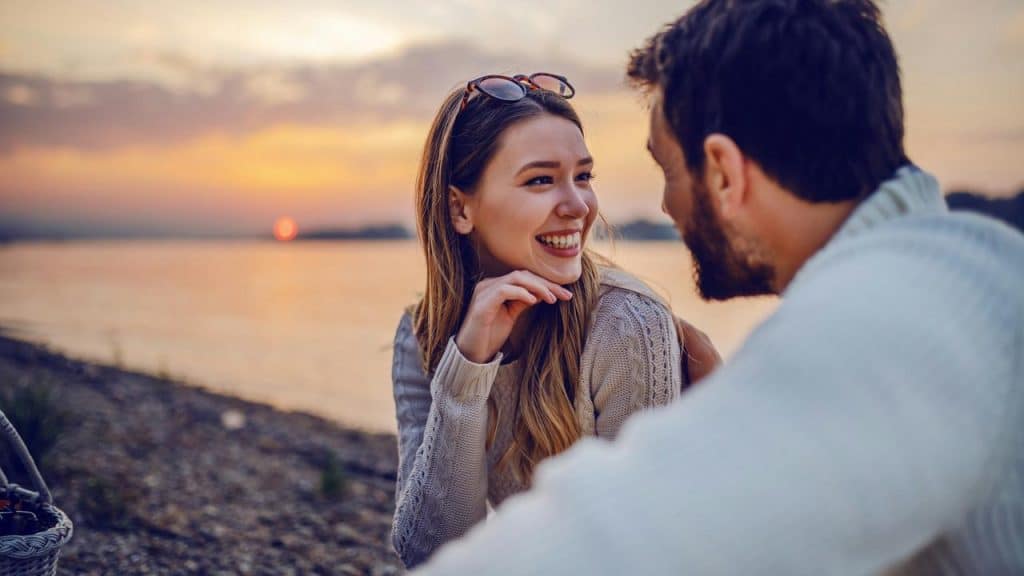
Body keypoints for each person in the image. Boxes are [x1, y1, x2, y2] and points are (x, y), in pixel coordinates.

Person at [415, 1, 1024, 574]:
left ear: (726, 173)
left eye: (668, 170)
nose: (666, 205)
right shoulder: (968, 277)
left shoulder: (890, 327)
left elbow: (609, 542)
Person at [390, 73, 710, 569]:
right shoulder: (424, 337)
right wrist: (467, 370)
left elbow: (637, 551)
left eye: (583, 176)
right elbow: (429, 554)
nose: (578, 206)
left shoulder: (625, 324)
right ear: (459, 208)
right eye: (541, 179)